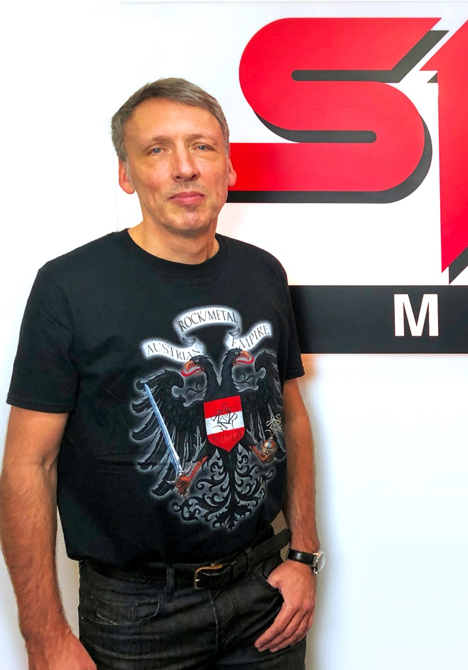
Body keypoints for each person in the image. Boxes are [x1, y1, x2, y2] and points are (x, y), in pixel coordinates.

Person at [0, 78, 322, 670]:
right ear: (126, 174)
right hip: (136, 614)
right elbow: (28, 464)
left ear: (228, 167)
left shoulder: (264, 275)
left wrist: (304, 555)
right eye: (157, 149)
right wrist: (42, 634)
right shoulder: (69, 288)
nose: (184, 168)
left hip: (263, 596)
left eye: (202, 146)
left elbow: (290, 416)